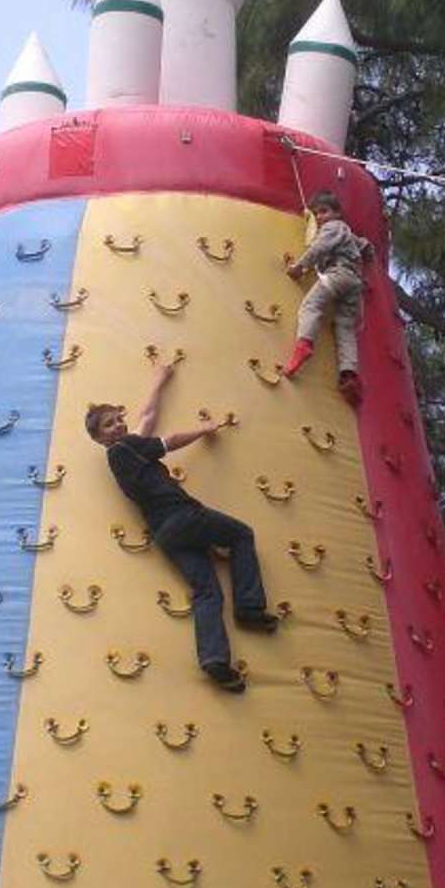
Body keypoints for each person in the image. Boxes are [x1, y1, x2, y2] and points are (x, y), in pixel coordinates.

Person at [87, 355, 278, 692]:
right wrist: (205, 429)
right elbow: (170, 440)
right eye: (109, 425)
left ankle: (214, 661)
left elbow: (147, 418)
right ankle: (249, 607)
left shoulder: (125, 453)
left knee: (206, 591)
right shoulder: (124, 448)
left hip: (165, 533)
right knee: (241, 535)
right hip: (182, 514)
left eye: (118, 419)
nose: (118, 425)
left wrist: (159, 380)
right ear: (100, 439)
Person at [281, 190, 371, 406]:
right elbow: (365, 247)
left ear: (337, 213)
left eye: (324, 211)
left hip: (337, 274)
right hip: (354, 282)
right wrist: (368, 252)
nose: (320, 217)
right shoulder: (346, 232)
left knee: (311, 305)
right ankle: (348, 373)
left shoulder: (331, 228)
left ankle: (304, 343)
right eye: (317, 214)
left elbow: (319, 249)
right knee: (344, 327)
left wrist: (299, 267)